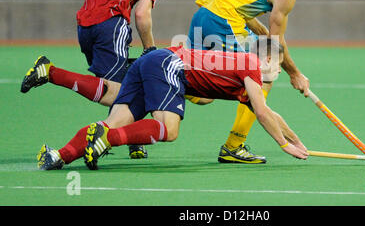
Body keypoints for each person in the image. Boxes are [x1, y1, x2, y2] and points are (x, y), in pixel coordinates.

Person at [21, 0, 184, 159]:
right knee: (117, 92)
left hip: (85, 26)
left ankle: (130, 141)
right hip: (111, 25)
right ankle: (51, 72)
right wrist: (149, 50)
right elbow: (142, 14)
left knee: (123, 82)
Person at [36, 38, 309, 170]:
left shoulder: (245, 77)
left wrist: (295, 139)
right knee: (169, 129)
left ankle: (60, 155)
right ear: (270, 61)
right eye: (281, 67)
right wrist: (283, 146)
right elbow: (261, 112)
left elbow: (269, 113)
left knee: (113, 124)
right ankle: (107, 139)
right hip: (167, 64)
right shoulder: (251, 66)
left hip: (152, 62)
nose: (280, 73)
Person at [187, 0, 326, 164]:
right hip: (223, 23)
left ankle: (166, 83)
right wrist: (295, 74)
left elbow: (238, 2)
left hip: (204, 15)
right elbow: (276, 44)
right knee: (265, 74)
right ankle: (234, 146)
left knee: (201, 94)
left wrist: (261, 34)